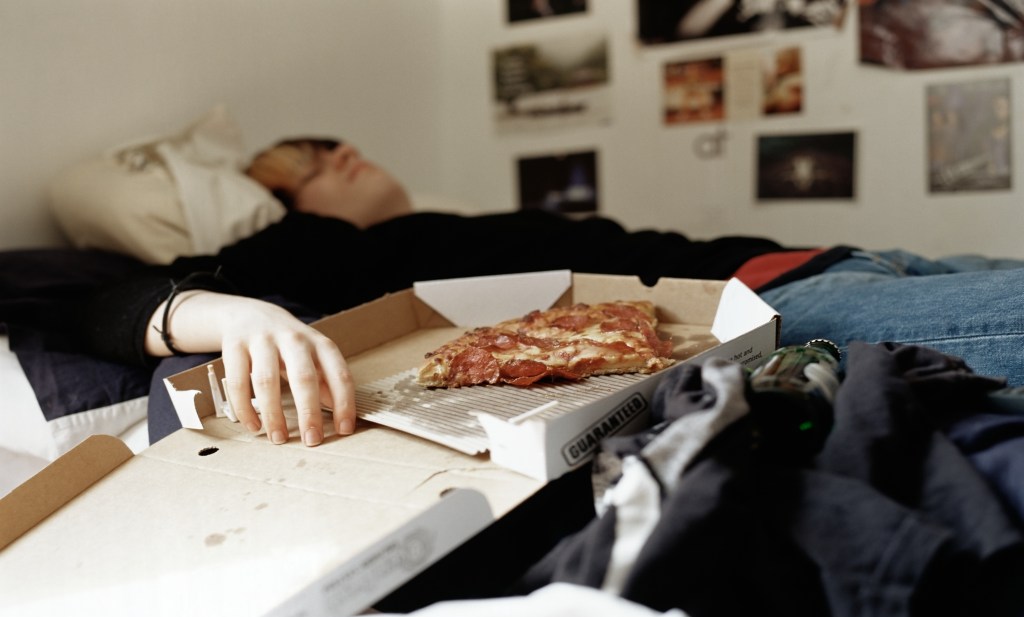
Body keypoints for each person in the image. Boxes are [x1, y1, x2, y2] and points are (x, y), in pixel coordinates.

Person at [78, 137, 1024, 451]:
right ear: (279, 205)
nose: (339, 151)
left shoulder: (438, 218)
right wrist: (229, 314)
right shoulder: (317, 251)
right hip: (759, 302)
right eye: (310, 161)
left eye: (334, 138)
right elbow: (94, 302)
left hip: (822, 254)